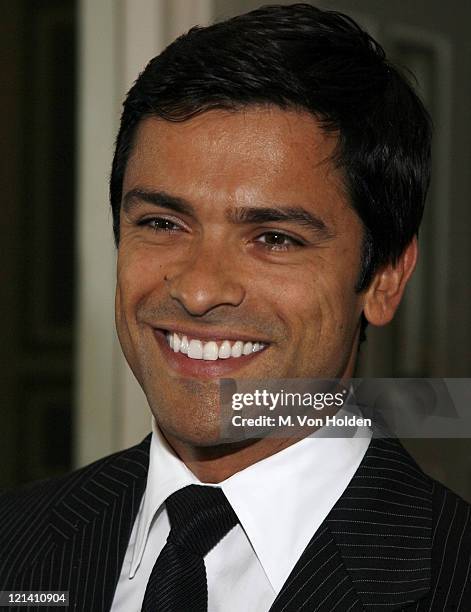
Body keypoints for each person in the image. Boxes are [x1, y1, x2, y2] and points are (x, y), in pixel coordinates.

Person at [1, 4, 470, 611]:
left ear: (383, 278)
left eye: (275, 238)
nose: (198, 290)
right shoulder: (16, 542)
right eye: (163, 222)